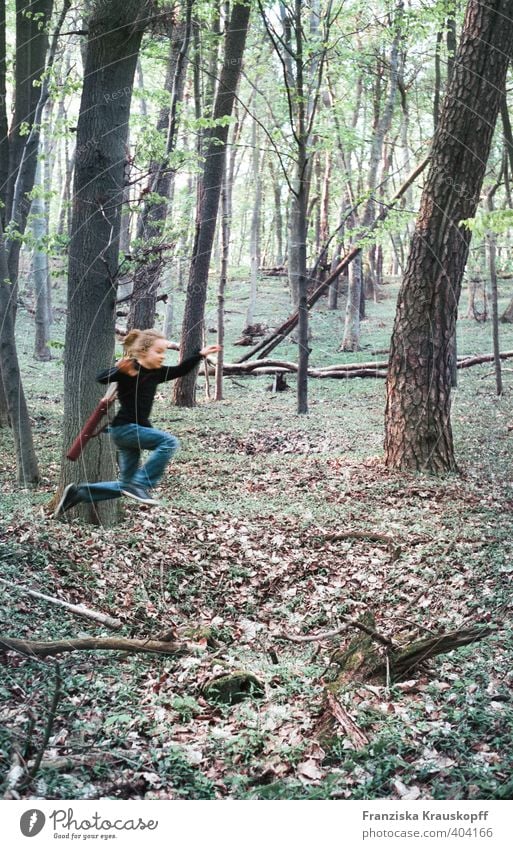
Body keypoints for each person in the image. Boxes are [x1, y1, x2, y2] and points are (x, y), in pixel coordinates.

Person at [54, 329, 221, 517]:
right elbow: (101, 378)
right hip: (125, 429)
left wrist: (199, 354)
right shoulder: (129, 369)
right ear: (143, 352)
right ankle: (141, 484)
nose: (162, 356)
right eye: (158, 352)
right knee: (169, 442)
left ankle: (79, 493)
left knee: (125, 486)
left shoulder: (157, 373)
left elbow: (180, 369)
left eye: (164, 352)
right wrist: (119, 369)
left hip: (129, 434)